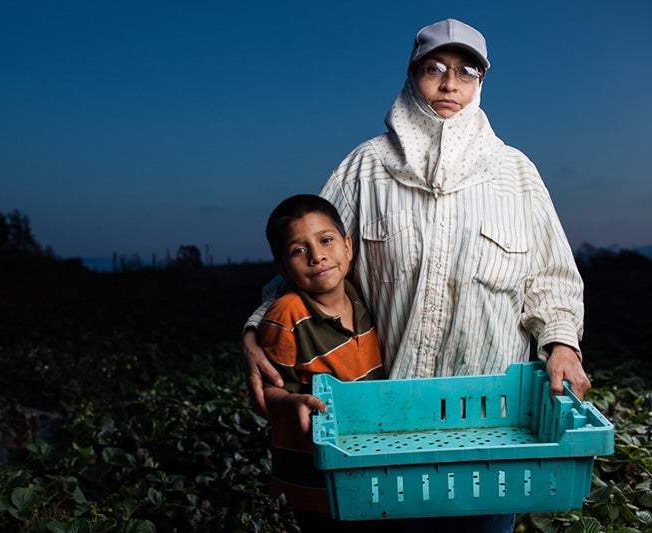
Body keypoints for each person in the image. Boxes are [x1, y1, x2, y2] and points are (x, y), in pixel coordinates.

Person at [243, 18, 591, 533]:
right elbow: (311, 265)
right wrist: (255, 330)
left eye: (467, 71)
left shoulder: (517, 174)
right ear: (411, 76)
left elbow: (553, 278)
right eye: (435, 68)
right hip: (385, 426)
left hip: (491, 423)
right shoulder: (366, 168)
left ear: (481, 83)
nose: (451, 83)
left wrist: (562, 344)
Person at [259, 194, 384, 531]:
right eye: (299, 250)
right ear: (283, 268)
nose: (317, 256)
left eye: (326, 240)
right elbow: (264, 390)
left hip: (364, 467)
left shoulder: (363, 297)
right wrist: (291, 400)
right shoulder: (286, 315)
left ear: (347, 246)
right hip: (313, 485)